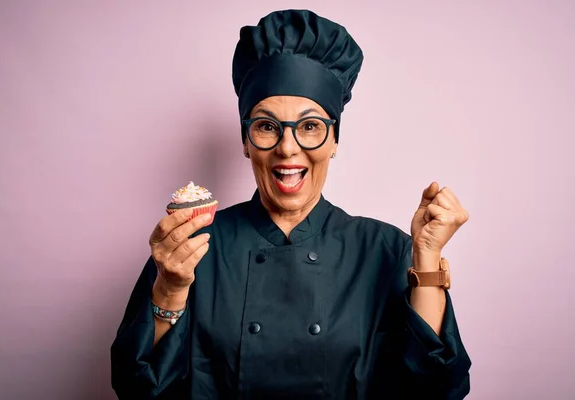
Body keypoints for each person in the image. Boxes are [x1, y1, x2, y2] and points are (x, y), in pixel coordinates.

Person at [111, 9, 471, 399]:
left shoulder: (386, 249)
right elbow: (138, 389)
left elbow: (439, 390)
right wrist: (169, 290)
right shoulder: (190, 249)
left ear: (334, 141)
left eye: (310, 127)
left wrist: (428, 258)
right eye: (266, 126)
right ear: (246, 142)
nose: (288, 147)